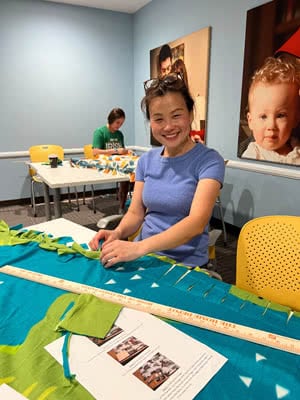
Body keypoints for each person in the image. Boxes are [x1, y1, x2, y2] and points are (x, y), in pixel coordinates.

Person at [89, 73, 225, 269]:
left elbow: (196, 223)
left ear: (191, 114)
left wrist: (139, 247)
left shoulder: (209, 161)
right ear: (150, 122)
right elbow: (136, 213)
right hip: (144, 258)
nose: (168, 126)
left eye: (176, 115)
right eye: (158, 119)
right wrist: (117, 233)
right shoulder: (146, 161)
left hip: (185, 266)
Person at [242, 57, 300, 164]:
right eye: (263, 116)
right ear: (251, 121)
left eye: (280, 115)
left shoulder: (297, 149)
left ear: (295, 119)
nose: (271, 126)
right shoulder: (253, 155)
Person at [92, 108, 130, 213]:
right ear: (111, 119)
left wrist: (125, 151)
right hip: (104, 165)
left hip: (119, 164)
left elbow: (121, 152)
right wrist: (116, 150)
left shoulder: (119, 134)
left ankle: (122, 207)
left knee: (127, 177)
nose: (119, 125)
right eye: (117, 122)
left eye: (121, 123)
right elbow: (95, 152)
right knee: (125, 177)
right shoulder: (100, 132)